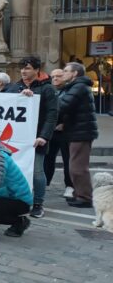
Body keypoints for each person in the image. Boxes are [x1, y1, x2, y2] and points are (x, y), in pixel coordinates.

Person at [7, 56, 58, 218]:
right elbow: (4, 104)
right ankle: (17, 199)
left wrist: (44, 136)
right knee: (16, 170)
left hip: (37, 138)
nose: (23, 71)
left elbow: (52, 114)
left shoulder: (47, 89)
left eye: (28, 68)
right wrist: (19, 97)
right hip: (16, 138)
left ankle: (38, 204)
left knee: (37, 171)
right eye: (22, 68)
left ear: (37, 70)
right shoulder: (15, 87)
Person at [59, 62, 98, 208]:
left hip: (81, 132)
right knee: (74, 166)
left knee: (78, 167)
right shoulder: (75, 86)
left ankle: (85, 197)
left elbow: (64, 105)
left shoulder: (79, 87)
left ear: (74, 73)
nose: (63, 73)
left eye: (66, 71)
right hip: (78, 131)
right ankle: (79, 194)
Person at [45, 68, 74, 199]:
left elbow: (76, 110)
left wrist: (66, 123)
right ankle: (45, 182)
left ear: (65, 77)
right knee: (48, 157)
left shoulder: (71, 90)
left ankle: (70, 186)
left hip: (66, 131)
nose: (55, 79)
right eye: (53, 77)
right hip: (51, 130)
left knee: (67, 159)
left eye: (58, 76)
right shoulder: (50, 90)